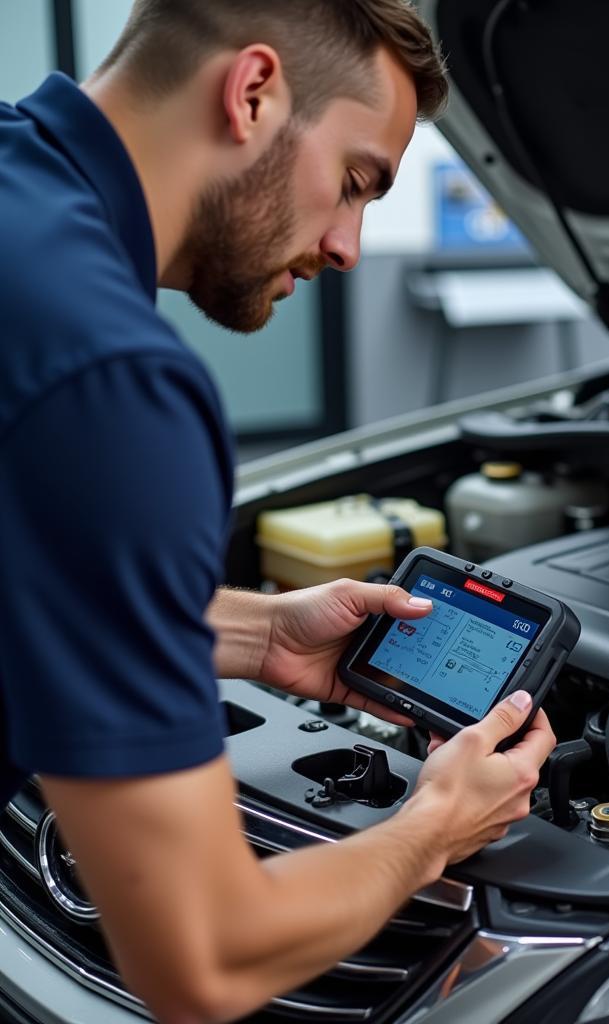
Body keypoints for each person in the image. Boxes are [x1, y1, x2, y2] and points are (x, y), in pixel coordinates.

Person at [0, 2, 557, 1021]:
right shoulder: (116, 383)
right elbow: (202, 958)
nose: (348, 246)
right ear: (251, 91)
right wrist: (434, 827)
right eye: (353, 182)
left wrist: (256, 633)